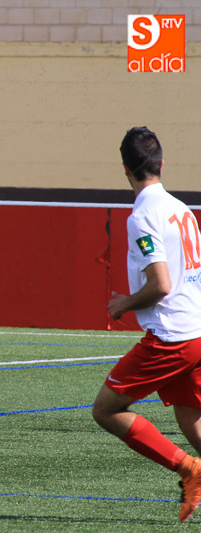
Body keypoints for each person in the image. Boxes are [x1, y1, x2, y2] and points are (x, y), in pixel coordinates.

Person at [92, 126, 201, 522]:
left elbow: (161, 284)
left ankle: (189, 469)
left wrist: (123, 303)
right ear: (161, 164)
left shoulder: (143, 216)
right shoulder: (182, 209)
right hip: (196, 331)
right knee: (189, 414)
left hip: (173, 337)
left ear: (125, 168)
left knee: (106, 410)